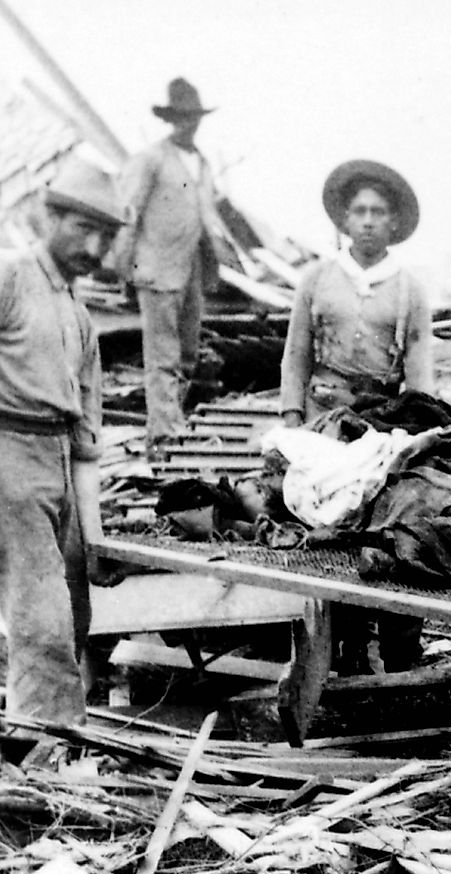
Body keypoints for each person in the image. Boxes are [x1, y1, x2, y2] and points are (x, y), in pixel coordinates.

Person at [279, 160, 433, 673]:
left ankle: (400, 648)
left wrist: (415, 428)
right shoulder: (317, 279)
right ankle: (345, 647)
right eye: (359, 211)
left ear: (394, 223)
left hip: (382, 421)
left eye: (379, 212)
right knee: (331, 527)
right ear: (344, 221)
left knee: (386, 525)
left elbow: (418, 363)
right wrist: (293, 415)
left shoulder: (410, 288)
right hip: (326, 417)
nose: (368, 221)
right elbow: (296, 352)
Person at [0, 157, 124, 747]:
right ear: (51, 217)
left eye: (107, 236)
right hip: (8, 457)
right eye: (83, 228)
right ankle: (44, 755)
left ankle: (49, 739)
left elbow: (87, 441)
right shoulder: (10, 279)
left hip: (57, 468)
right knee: (41, 615)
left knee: (74, 607)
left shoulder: (80, 318)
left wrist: (92, 535)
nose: (95, 246)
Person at [115, 78, 226, 450]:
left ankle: (168, 428)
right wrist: (124, 271)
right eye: (180, 117)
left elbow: (207, 217)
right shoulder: (151, 159)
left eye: (192, 117)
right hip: (156, 269)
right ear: (169, 120)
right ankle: (165, 435)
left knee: (188, 355)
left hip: (191, 268)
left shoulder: (203, 163)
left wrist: (216, 263)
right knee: (162, 356)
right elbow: (127, 215)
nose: (187, 124)